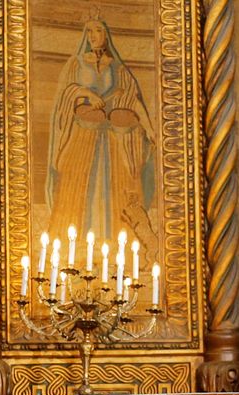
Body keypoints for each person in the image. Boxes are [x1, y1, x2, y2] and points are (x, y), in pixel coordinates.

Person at [45, 18, 156, 243]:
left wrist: (149, 127)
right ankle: (71, 243)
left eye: (98, 30)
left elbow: (132, 100)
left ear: (107, 35)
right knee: (77, 185)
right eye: (89, 32)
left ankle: (116, 242)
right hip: (82, 136)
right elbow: (65, 96)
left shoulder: (117, 68)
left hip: (112, 139)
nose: (93, 36)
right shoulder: (76, 64)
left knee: (116, 186)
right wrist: (85, 94)